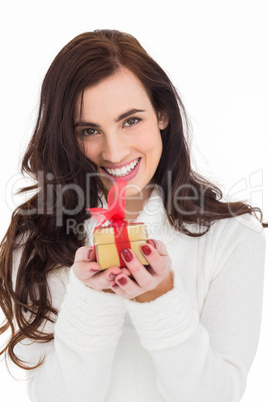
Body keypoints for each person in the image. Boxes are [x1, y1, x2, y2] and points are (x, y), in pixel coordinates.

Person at [0, 29, 266, 402]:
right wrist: (92, 297)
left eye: (130, 121)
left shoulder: (234, 238)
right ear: (65, 136)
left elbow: (217, 396)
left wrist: (159, 299)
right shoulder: (36, 239)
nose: (114, 151)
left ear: (162, 114)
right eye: (89, 130)